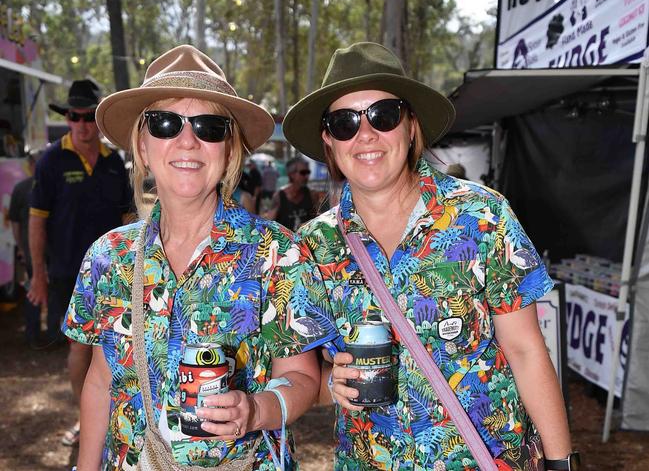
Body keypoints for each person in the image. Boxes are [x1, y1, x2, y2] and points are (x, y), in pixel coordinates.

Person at [283, 42, 575, 470]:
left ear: (410, 125)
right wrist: (334, 384)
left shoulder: (482, 215)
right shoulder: (313, 245)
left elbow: (527, 350)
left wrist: (561, 462)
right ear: (329, 141)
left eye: (383, 116)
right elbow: (310, 379)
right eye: (344, 122)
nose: (365, 135)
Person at [63, 44, 336, 470]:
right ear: (142, 143)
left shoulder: (276, 252)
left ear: (229, 148)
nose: (187, 141)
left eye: (209, 126)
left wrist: (255, 409)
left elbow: (303, 378)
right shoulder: (107, 256)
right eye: (165, 123)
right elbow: (100, 382)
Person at [27, 79, 133, 446]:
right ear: (68, 119)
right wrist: (37, 275)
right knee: (79, 347)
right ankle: (86, 418)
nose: (83, 124)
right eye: (76, 116)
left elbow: (127, 219)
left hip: (114, 272)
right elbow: (37, 220)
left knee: (116, 347)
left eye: (90, 116)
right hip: (66, 271)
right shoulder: (51, 161)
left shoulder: (114, 162)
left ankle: (112, 416)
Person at [8, 151, 40, 348]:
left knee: (51, 291)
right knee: (32, 291)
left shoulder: (51, 186)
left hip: (52, 252)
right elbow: (15, 222)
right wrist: (21, 247)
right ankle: (33, 333)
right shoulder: (21, 189)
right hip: (30, 252)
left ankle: (53, 333)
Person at [263, 157, 319, 230]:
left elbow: (317, 219)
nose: (306, 176)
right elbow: (269, 224)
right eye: (303, 173)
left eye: (308, 172)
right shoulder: (279, 197)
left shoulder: (312, 195)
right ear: (291, 174)